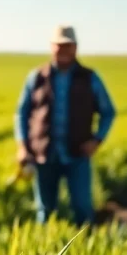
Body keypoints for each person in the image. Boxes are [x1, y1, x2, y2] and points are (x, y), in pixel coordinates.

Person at [13, 26, 116, 226]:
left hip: (77, 154)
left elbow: (108, 112)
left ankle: (86, 248)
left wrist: (97, 140)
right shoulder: (36, 77)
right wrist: (23, 147)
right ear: (52, 47)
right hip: (44, 154)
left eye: (68, 46)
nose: (63, 50)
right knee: (45, 210)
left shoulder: (90, 78)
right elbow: (21, 113)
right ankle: (45, 251)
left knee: (82, 207)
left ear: (76, 48)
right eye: (59, 46)